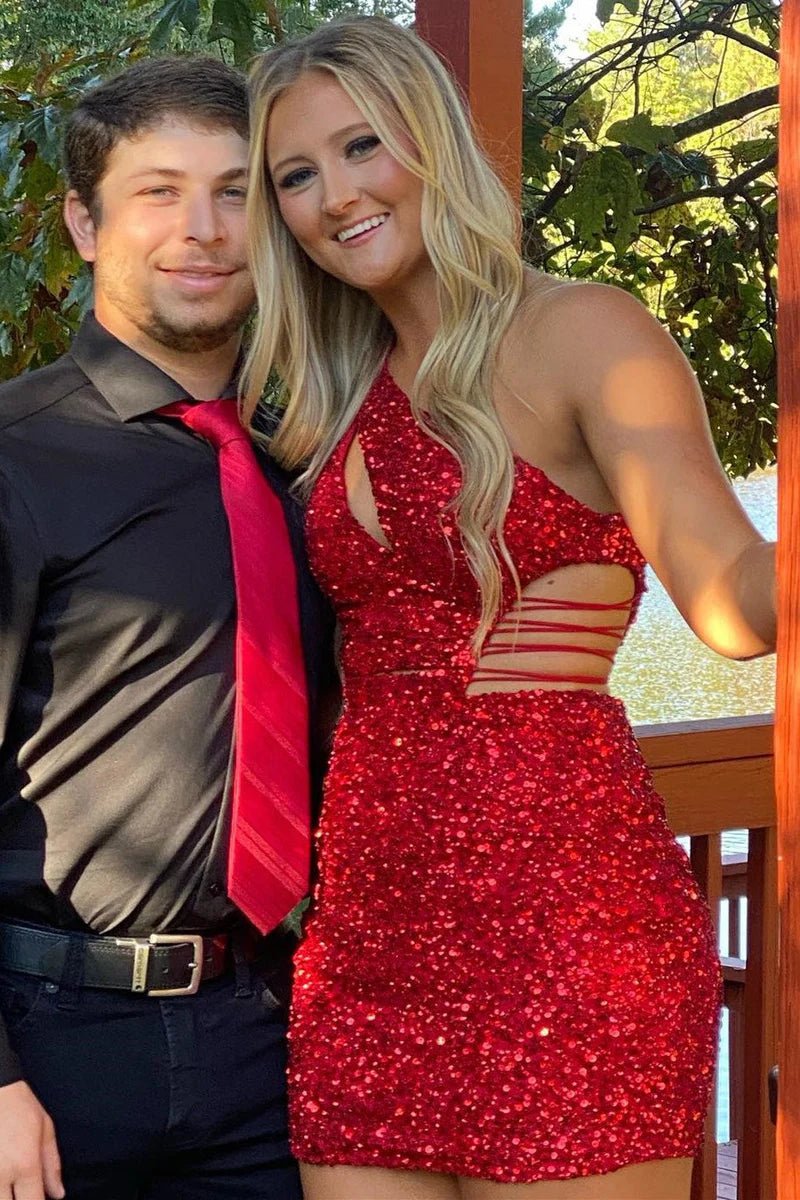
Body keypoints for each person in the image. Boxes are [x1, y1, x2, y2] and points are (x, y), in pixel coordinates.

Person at [243, 16, 777, 1200]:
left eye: (362, 145)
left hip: (567, 942)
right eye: (296, 175)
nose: (336, 195)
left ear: (430, 140)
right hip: (367, 950)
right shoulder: (328, 393)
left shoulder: (581, 330)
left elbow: (730, 603)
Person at [0, 56, 335, 1200]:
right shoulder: (16, 454)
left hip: (268, 1039)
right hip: (50, 1046)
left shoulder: (309, 453)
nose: (203, 229)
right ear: (83, 224)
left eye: (236, 191)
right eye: (158, 191)